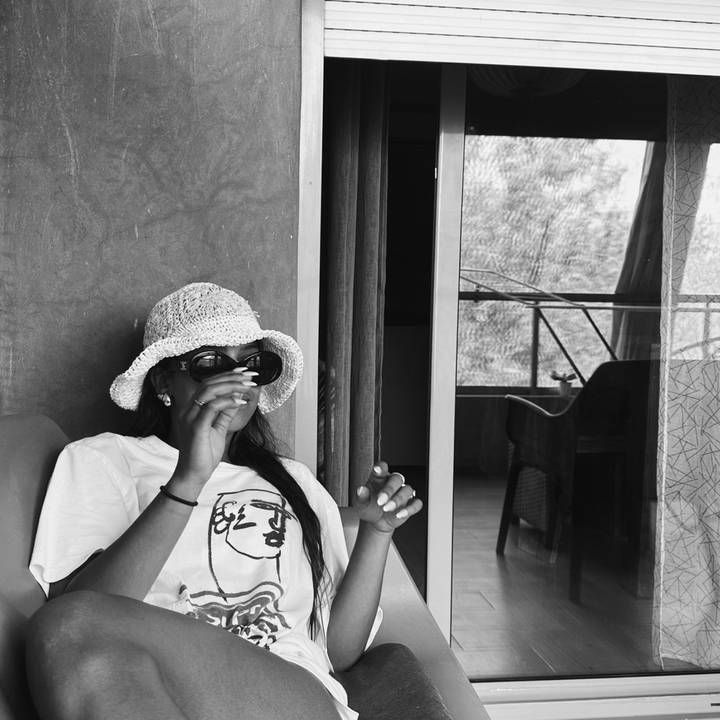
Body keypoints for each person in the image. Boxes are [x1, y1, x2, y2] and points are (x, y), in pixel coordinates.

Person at [26, 282, 423, 720]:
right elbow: (87, 618)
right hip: (151, 692)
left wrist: (377, 533)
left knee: (68, 625)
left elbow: (340, 651)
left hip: (286, 693)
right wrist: (190, 478)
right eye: (212, 363)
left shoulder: (293, 481)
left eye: (254, 364)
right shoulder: (103, 459)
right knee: (65, 625)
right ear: (163, 381)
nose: (238, 380)